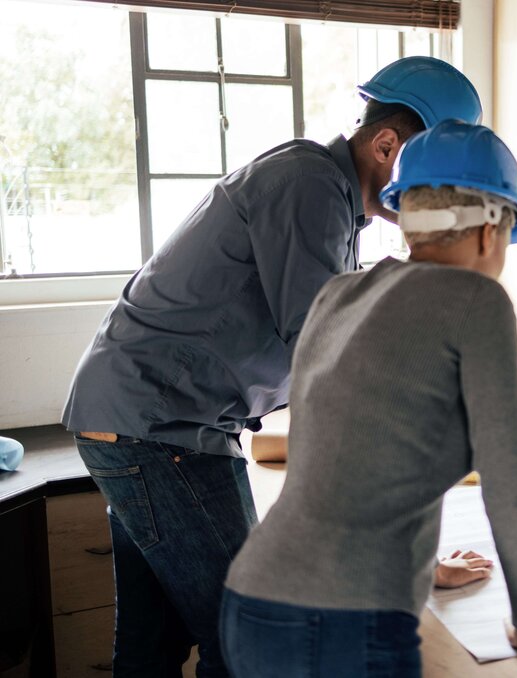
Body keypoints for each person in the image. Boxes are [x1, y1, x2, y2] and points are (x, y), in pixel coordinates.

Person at [60, 57, 482, 676]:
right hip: (160, 428)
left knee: (154, 647)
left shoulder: (330, 199)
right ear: (388, 144)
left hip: (146, 421)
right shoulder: (308, 184)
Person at [220, 120, 517, 677]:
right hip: (345, 621)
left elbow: (372, 449)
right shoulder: (479, 301)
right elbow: (509, 487)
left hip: (251, 601)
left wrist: (430, 567)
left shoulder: (340, 293)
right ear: (490, 231)